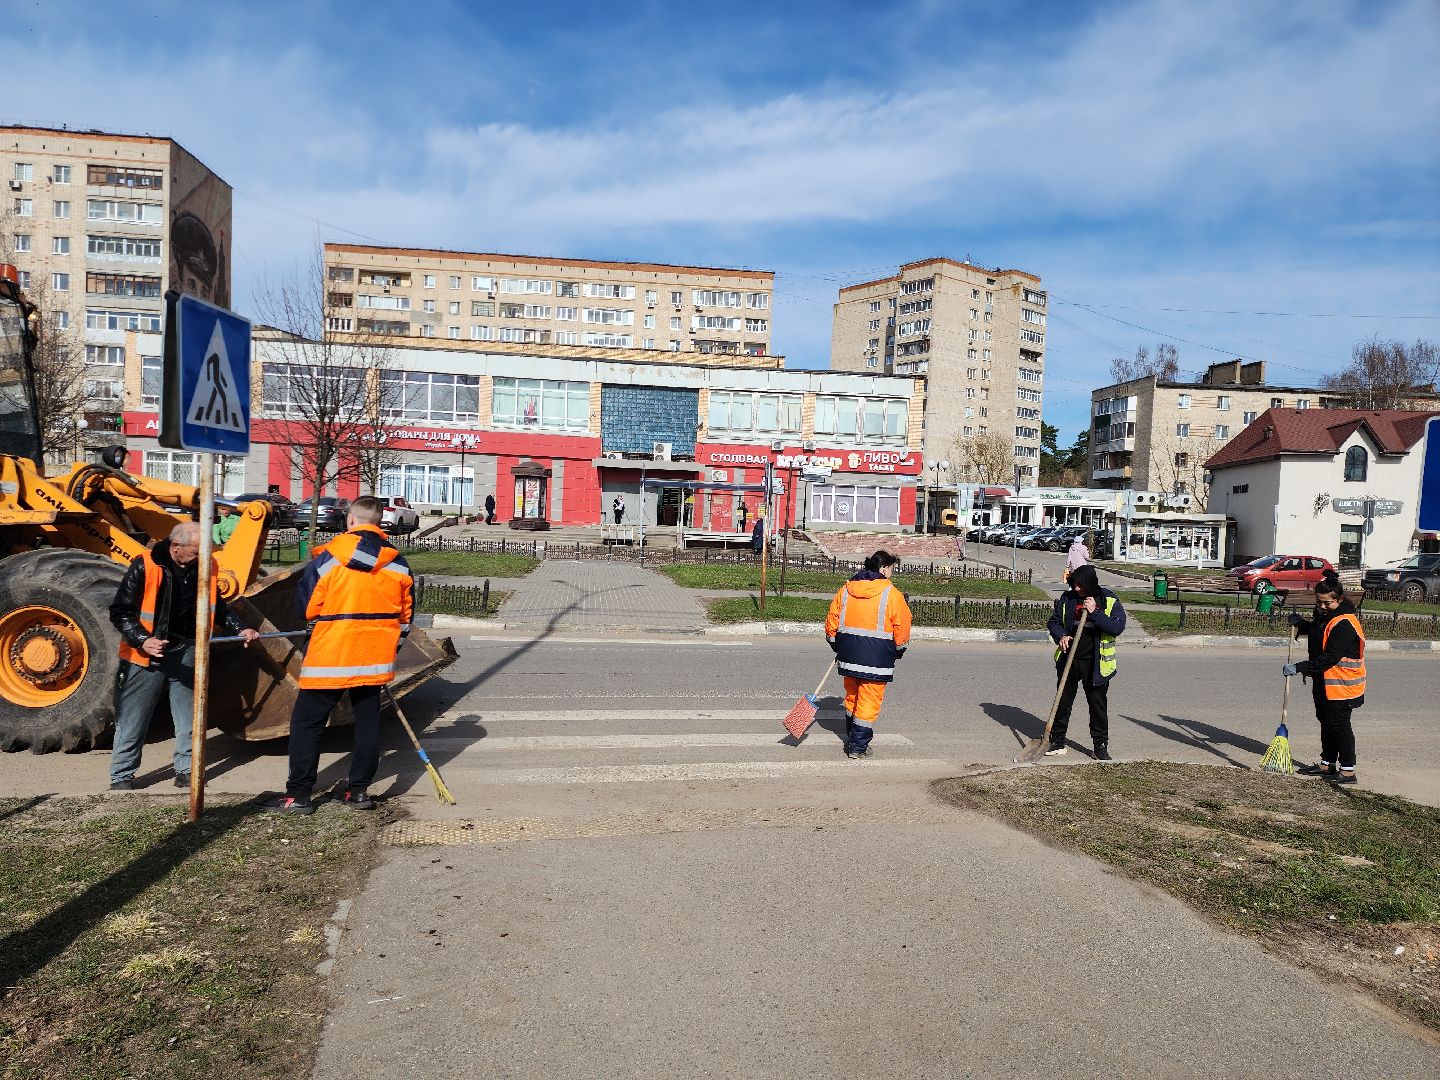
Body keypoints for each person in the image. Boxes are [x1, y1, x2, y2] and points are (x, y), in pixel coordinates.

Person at [270, 496, 414, 815]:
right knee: (368, 722)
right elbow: (406, 619)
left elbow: (305, 608)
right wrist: (389, 648)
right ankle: (358, 791)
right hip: (375, 655)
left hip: (330, 655)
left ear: (350, 520)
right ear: (379, 523)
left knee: (308, 723)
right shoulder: (398, 563)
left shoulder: (329, 559)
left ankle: (300, 795)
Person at [108, 521, 259, 791]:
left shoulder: (207, 565)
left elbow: (218, 607)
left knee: (190, 718)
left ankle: (186, 771)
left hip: (189, 650)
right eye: (197, 550)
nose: (204, 556)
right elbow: (121, 612)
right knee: (133, 718)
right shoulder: (145, 565)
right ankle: (122, 776)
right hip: (146, 656)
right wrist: (144, 641)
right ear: (176, 547)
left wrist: (241, 628)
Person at [825, 550, 913, 759]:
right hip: (877, 659)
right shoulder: (891, 594)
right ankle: (857, 747)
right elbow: (902, 624)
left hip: (848, 656)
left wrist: (837, 645)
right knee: (868, 702)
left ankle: (852, 737)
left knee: (852, 697)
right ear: (884, 569)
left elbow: (832, 620)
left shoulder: (846, 589)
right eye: (891, 569)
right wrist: (899, 650)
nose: (892, 574)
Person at [1285, 570, 1365, 784]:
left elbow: (1330, 657)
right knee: (1326, 722)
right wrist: (1302, 625)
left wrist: (1300, 667)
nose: (1321, 607)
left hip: (1342, 684)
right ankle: (1327, 763)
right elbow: (1319, 633)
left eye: (1327, 603)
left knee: (1339, 725)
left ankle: (1348, 770)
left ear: (1339, 599)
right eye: (1318, 602)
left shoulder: (1345, 622)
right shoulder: (1326, 616)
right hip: (1324, 681)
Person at [1045, 563, 1126, 759]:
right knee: (1062, 703)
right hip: (1069, 659)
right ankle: (1057, 741)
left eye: (1081, 585)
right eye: (1075, 584)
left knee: (1097, 706)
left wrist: (1095, 612)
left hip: (1096, 663)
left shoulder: (1108, 599)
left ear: (1091, 583)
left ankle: (1100, 746)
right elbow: (1054, 621)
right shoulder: (1068, 598)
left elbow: (1117, 627)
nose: (1078, 588)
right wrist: (1061, 635)